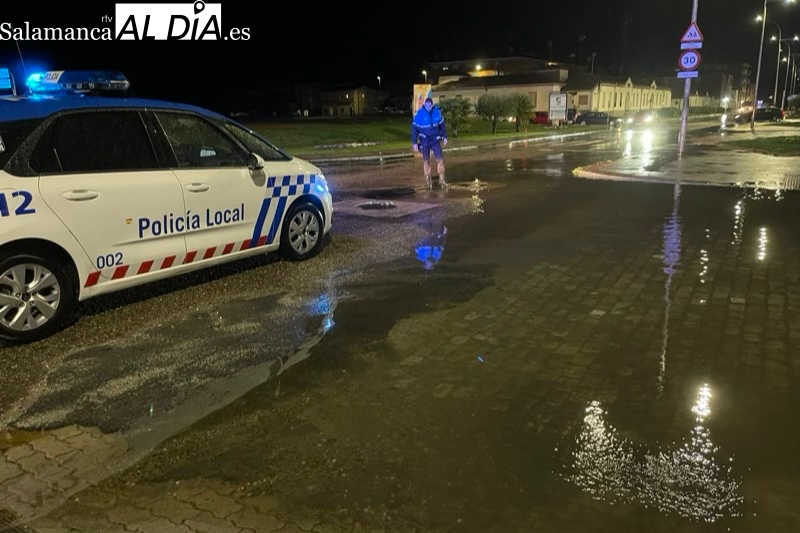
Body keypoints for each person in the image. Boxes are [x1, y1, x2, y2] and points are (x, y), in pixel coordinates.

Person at [411, 97, 448, 189]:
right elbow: (414, 130)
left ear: (432, 105)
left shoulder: (437, 112)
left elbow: (442, 125)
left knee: (440, 160)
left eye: (429, 106)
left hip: (435, 139)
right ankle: (428, 180)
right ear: (424, 105)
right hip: (424, 140)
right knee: (426, 161)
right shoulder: (419, 114)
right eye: (426, 106)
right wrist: (414, 142)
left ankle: (442, 180)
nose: (428, 107)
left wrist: (444, 137)